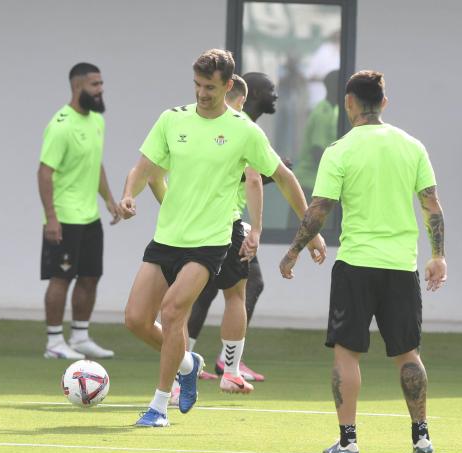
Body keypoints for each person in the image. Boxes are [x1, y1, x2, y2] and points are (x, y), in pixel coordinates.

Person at [119, 49, 326, 428]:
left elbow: (282, 176)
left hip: (209, 242)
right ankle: (189, 362)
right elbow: (144, 168)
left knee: (172, 312)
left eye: (210, 87)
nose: (201, 93)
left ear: (229, 85)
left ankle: (158, 406)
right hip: (167, 237)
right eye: (197, 85)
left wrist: (309, 230)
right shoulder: (171, 119)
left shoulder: (244, 130)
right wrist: (129, 194)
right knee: (134, 320)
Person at [279, 70, 447, 453]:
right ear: (384, 103)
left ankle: (348, 441)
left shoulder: (339, 150)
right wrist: (437, 255)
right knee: (408, 353)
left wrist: (294, 251)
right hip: (401, 266)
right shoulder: (412, 146)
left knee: (346, 352)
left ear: (349, 103)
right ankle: (421, 437)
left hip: (355, 265)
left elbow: (319, 210)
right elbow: (432, 206)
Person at [187, 72, 279, 382]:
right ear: (248, 96)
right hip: (225, 225)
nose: (275, 95)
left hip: (223, 222)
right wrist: (274, 174)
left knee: (209, 291)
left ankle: (191, 362)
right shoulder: (237, 127)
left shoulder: (244, 129)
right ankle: (226, 365)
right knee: (246, 286)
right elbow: (239, 175)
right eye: (270, 90)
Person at [38, 62, 120, 360]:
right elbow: (44, 173)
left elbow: (95, 163)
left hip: (89, 217)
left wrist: (109, 199)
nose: (100, 90)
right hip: (64, 218)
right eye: (94, 85)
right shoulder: (61, 126)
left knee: (90, 276)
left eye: (101, 84)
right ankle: (54, 342)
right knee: (61, 279)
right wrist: (51, 218)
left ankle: (81, 336)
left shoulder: (97, 121)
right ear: (77, 87)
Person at [291, 69, 339, 227]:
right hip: (309, 183)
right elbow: (317, 150)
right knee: (305, 228)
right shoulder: (322, 113)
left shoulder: (335, 111)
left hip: (319, 184)